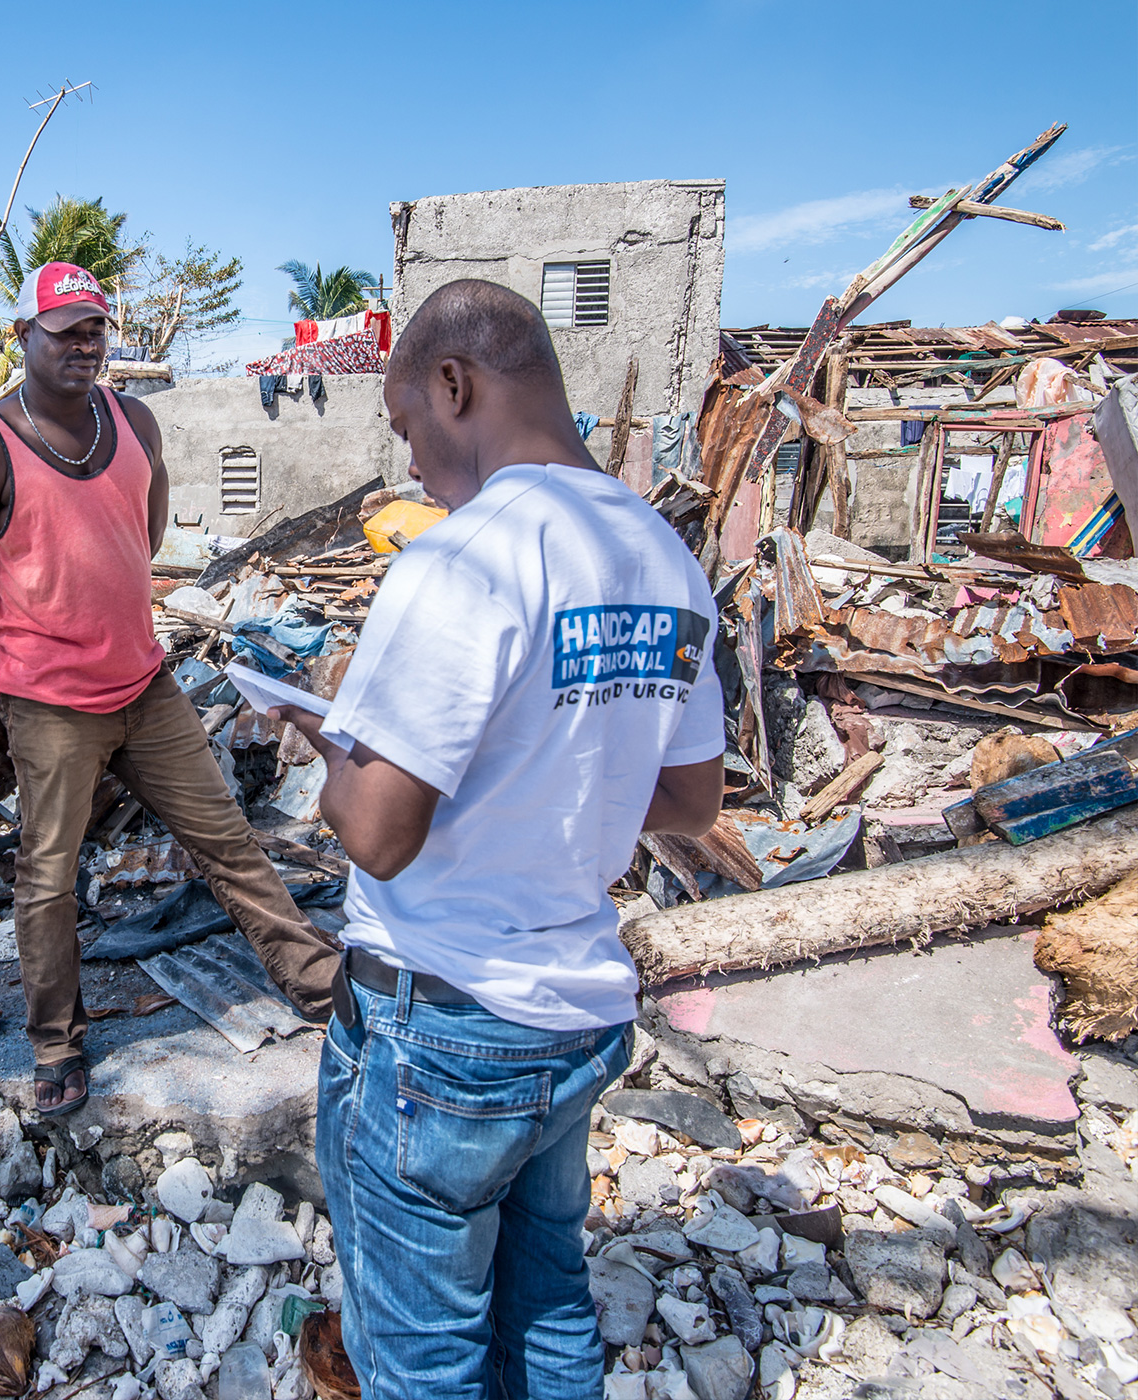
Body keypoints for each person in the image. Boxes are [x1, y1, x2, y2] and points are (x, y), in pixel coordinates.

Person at [273, 279, 726, 1398]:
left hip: (442, 1028)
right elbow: (687, 796)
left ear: (452, 384)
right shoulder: (659, 553)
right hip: (571, 1017)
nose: (414, 465)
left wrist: (323, 748)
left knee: (424, 1353)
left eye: (406, 428)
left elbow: (376, 836)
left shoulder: (460, 559)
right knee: (545, 1301)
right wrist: (557, 774)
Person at [0, 261, 338, 1116]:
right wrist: (25, 624)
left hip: (146, 688)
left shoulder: (135, 420)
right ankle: (57, 1050)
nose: (84, 346)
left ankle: (324, 991)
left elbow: (142, 533)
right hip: (49, 704)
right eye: (64, 331)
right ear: (22, 339)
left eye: (95, 330)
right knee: (48, 875)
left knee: (226, 839)